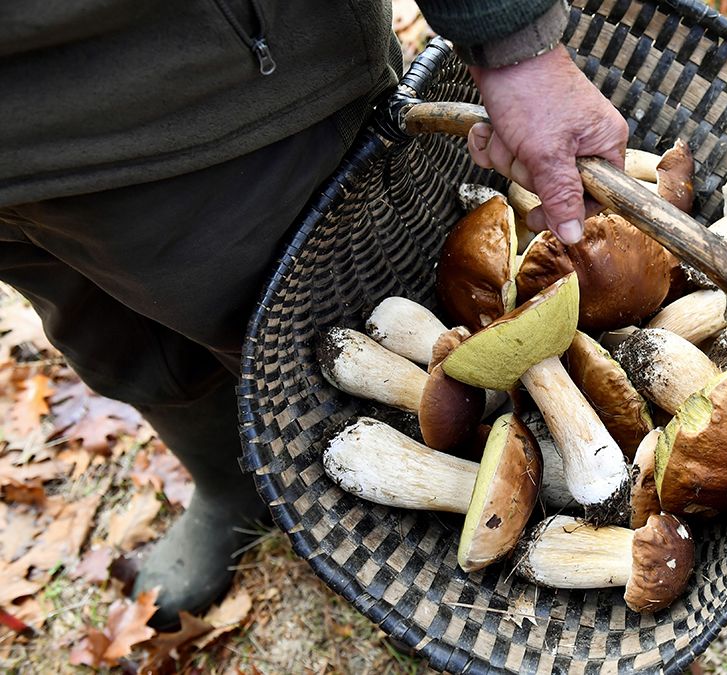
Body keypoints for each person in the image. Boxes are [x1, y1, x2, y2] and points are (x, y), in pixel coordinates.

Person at [0, 0, 627, 627]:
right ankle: (229, 488)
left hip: (227, 98)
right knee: (121, 349)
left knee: (297, 326)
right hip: (21, 169)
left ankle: (356, 531)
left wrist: (514, 41)